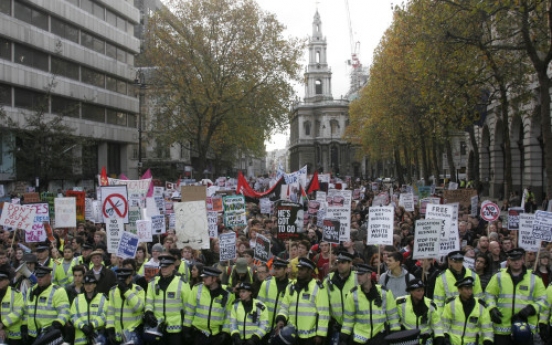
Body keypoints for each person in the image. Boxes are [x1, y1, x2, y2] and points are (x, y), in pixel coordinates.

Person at [486, 248, 547, 345]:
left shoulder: (534, 278)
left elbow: (544, 300)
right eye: (513, 260)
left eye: (518, 259)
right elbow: (489, 295)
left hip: (525, 329)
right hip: (502, 329)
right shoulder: (498, 277)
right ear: (508, 261)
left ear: (523, 260)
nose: (516, 262)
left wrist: (532, 309)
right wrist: (492, 308)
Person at [339, 264, 400, 345]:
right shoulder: (353, 294)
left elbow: (393, 315)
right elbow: (348, 318)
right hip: (360, 339)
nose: (358, 277)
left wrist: (395, 332)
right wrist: (344, 336)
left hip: (380, 337)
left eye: (361, 274)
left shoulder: (385, 292)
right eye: (357, 275)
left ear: (368, 276)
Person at [275, 257, 330, 345]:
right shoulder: (290, 286)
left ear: (309, 271)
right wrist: (281, 320)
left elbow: (323, 313)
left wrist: (320, 335)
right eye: (298, 268)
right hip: (291, 334)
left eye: (302, 269)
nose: (299, 271)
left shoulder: (318, 288)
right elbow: (284, 307)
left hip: (310, 337)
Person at [143, 254, 190, 345]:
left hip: (175, 329)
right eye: (162, 266)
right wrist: (149, 313)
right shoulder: (153, 282)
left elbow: (188, 307)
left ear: (173, 267)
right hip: (157, 327)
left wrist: (187, 327)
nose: (164, 269)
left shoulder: (182, 283)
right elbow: (149, 301)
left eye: (167, 267)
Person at [183, 266, 235, 345]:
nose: (203, 279)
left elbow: (228, 315)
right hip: (198, 333)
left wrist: (225, 332)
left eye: (206, 277)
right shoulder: (197, 289)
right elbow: (190, 310)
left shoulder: (228, 293)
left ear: (214, 279)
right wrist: (186, 328)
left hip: (217, 335)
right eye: (203, 276)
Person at [21, 266, 70, 343]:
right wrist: (24, 326)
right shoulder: (31, 290)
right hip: (32, 334)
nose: (39, 279)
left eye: (42, 277)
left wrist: (57, 324)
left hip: (49, 333)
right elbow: (26, 311)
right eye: (38, 277)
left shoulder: (58, 291)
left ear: (49, 277)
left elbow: (65, 311)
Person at [441, 277, 493, 345]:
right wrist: (445, 337)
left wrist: (487, 341)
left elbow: (487, 328)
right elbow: (445, 324)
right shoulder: (451, 304)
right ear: (459, 290)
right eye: (467, 289)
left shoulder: (481, 306)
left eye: (471, 288)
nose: (470, 292)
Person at [324, 251, 358, 345]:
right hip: (335, 326)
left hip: (355, 326)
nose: (340, 265)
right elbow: (324, 303)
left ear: (350, 263)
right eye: (338, 262)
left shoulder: (357, 278)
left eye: (343, 262)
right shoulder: (328, 280)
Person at [396, 279, 443, 345]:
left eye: (422, 290)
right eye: (418, 291)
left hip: (426, 341)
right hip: (408, 341)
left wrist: (439, 338)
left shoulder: (430, 304)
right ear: (411, 291)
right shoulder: (401, 303)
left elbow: (437, 324)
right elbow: (393, 317)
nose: (421, 293)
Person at [106, 267, 145, 345]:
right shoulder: (112, 291)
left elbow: (139, 307)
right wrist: (110, 329)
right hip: (118, 335)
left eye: (124, 279)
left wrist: (126, 291)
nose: (122, 281)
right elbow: (110, 312)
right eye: (120, 279)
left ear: (130, 278)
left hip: (133, 333)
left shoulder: (138, 289)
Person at [257, 258, 291, 339]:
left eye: (279, 269)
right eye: (275, 268)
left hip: (282, 328)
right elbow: (259, 304)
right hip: (265, 327)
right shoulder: (266, 283)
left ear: (286, 269)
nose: (276, 271)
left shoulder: (291, 286)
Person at [70, 271, 107, 345]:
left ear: (95, 285)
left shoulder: (102, 298)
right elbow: (73, 317)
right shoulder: (77, 299)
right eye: (86, 284)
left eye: (90, 284)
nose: (88, 286)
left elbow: (104, 316)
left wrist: (92, 325)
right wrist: (83, 327)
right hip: (80, 340)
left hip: (96, 338)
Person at [0, 269, 24, 345]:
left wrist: (2, 324)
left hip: (14, 334)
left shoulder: (16, 293)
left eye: (1, 280)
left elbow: (17, 312)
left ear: (7, 281)